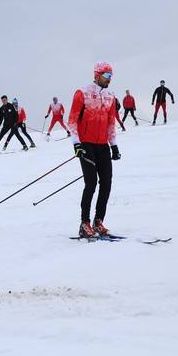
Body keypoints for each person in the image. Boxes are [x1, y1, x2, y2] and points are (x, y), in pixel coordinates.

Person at [69, 61, 121, 238]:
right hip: (86, 145)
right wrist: (76, 144)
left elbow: (111, 123)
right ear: (97, 75)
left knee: (106, 183)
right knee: (90, 183)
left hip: (102, 145)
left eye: (111, 76)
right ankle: (84, 224)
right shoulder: (82, 93)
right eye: (107, 76)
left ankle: (98, 221)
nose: (110, 80)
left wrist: (113, 146)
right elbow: (72, 120)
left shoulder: (110, 96)